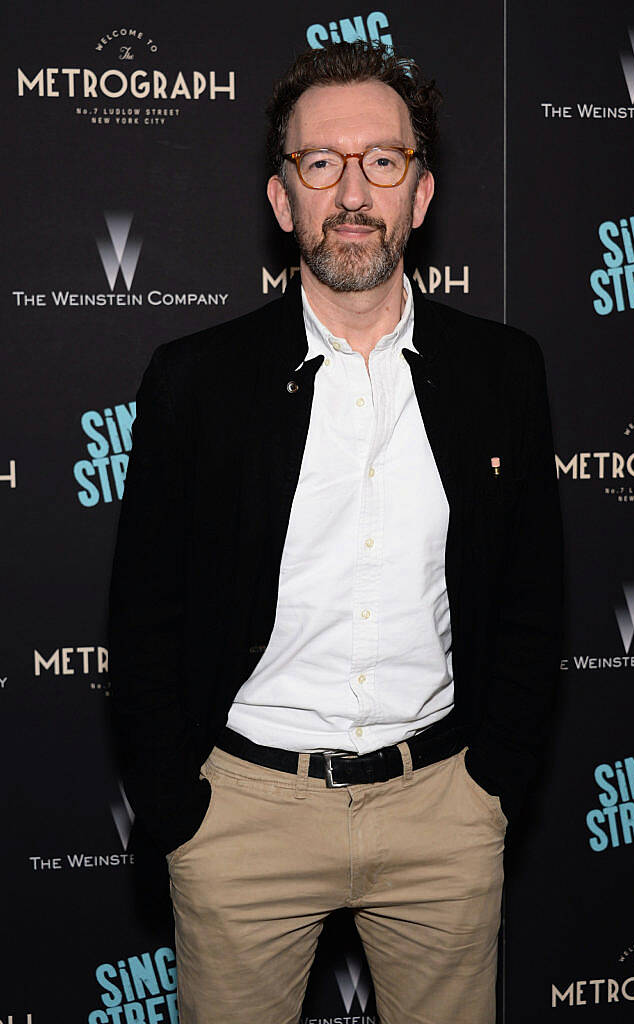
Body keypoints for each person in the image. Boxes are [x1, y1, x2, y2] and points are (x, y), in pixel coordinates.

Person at [109, 39, 563, 1024]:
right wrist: (183, 814)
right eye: (320, 163)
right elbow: (141, 615)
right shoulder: (194, 381)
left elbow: (534, 599)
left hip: (441, 808)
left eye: (380, 162)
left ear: (420, 193)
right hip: (243, 816)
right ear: (283, 199)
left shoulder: (502, 373)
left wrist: (490, 791)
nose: (350, 191)